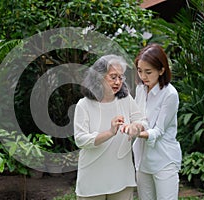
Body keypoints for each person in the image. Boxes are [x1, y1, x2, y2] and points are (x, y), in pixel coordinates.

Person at [74, 54, 148, 200]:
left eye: (121, 77)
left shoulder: (125, 99)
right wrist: (109, 132)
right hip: (92, 180)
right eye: (113, 77)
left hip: (122, 178)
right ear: (98, 77)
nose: (118, 82)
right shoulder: (84, 105)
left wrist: (136, 127)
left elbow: (142, 120)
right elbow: (80, 140)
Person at [132, 43, 182, 200]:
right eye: (140, 71)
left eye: (148, 72)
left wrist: (137, 132)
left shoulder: (170, 94)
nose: (143, 76)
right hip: (142, 158)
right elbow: (137, 117)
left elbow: (158, 131)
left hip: (164, 159)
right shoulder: (141, 88)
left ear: (161, 70)